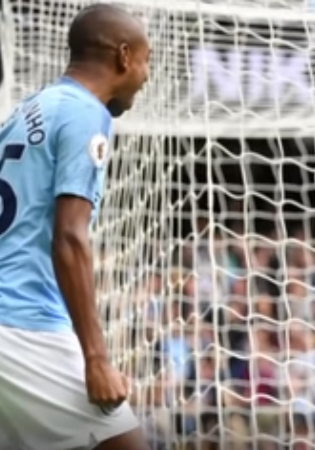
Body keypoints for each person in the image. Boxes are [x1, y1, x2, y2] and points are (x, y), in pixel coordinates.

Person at [0, 4, 150, 449]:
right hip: (25, 323)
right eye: (146, 59)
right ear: (123, 56)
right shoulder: (86, 113)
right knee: (124, 443)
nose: (145, 75)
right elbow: (69, 236)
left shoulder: (30, 110)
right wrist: (97, 359)